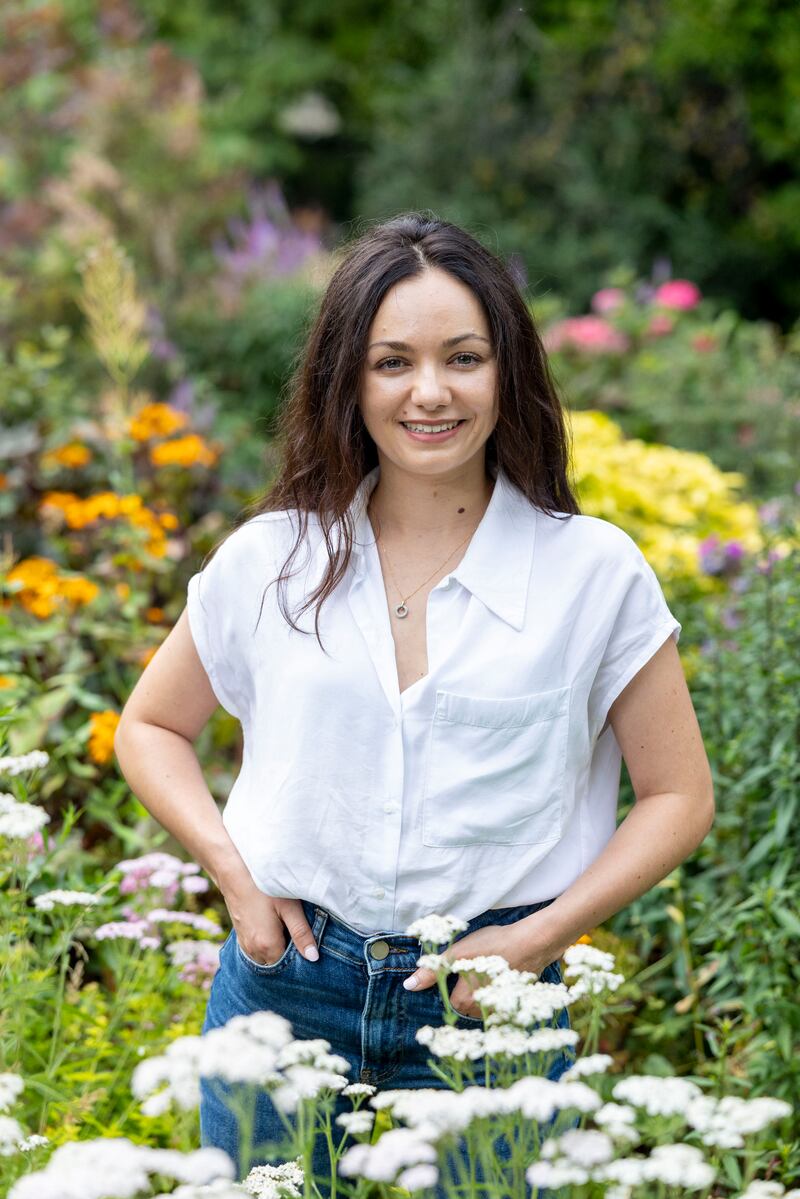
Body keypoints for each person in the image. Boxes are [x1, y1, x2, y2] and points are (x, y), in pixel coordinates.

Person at [114, 212, 715, 1194]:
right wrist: (233, 873)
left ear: (507, 373)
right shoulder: (274, 559)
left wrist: (537, 939)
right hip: (285, 989)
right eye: (392, 362)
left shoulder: (593, 573)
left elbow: (678, 796)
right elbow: (150, 725)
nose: (429, 391)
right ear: (347, 380)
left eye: (462, 358)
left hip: (493, 1004)